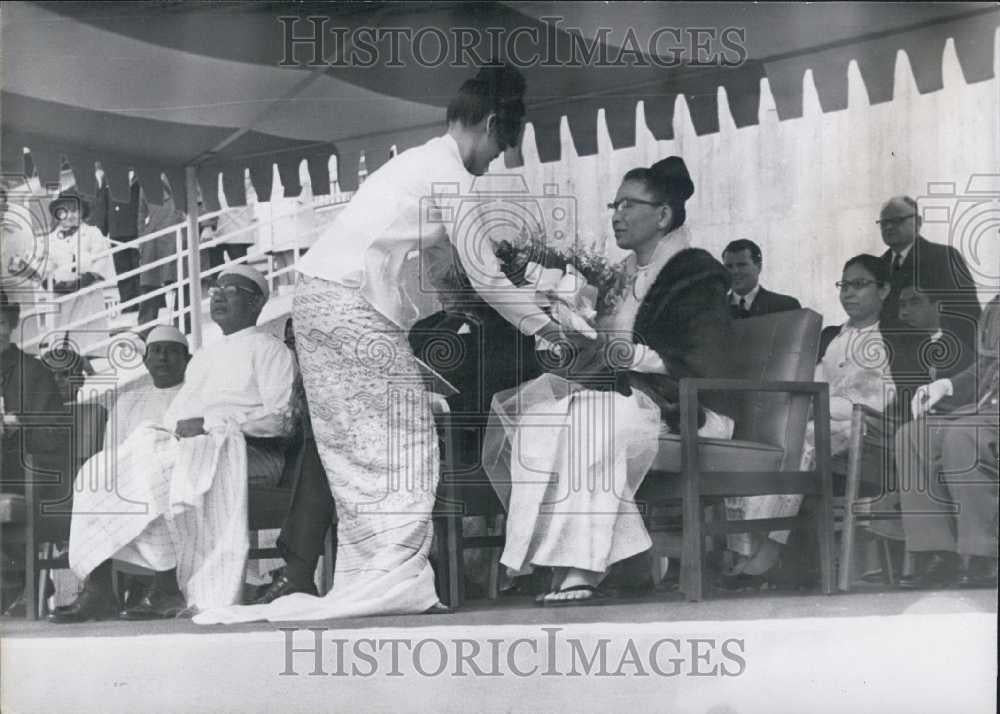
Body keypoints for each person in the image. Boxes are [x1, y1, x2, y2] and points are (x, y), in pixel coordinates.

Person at [191, 63, 590, 625]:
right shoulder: (450, 174)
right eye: (503, 146)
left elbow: (437, 268)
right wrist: (549, 328)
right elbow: (486, 276)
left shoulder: (414, 161)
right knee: (405, 440)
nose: (497, 159)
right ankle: (390, 575)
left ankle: (372, 571)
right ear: (493, 123)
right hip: (347, 306)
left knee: (362, 447)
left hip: (319, 301)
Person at [485, 157, 736, 605]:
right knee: (537, 422)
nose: (616, 214)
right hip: (625, 399)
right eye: (613, 204)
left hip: (681, 403)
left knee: (591, 422)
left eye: (628, 204)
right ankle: (559, 563)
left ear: (662, 215)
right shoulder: (619, 275)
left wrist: (627, 354)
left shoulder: (695, 271)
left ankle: (583, 566)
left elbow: (706, 359)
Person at [62, 265, 296, 620]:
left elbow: (282, 421)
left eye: (231, 289)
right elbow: (177, 420)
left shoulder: (270, 350)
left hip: (249, 452)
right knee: (102, 469)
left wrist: (214, 426)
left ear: (256, 303)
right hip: (193, 446)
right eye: (216, 288)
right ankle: (99, 587)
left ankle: (168, 587)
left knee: (166, 468)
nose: (217, 295)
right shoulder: (203, 357)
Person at [725, 255, 898, 584]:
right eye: (844, 285)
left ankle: (765, 557)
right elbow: (817, 381)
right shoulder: (835, 336)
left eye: (859, 285)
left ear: (885, 289)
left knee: (799, 443)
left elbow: (886, 397)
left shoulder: (890, 337)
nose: (848, 293)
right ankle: (747, 548)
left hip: (866, 431)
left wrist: (824, 408)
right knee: (770, 445)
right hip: (824, 423)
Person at [48, 325, 191, 622]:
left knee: (150, 477)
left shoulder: (194, 393)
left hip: (173, 473)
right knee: (93, 476)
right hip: (128, 475)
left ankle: (164, 587)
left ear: (187, 359)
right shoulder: (128, 399)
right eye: (156, 351)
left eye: (172, 351)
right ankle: (98, 590)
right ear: (146, 359)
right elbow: (111, 452)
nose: (163, 357)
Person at [894, 294, 999, 589]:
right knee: (913, 435)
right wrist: (945, 385)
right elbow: (985, 367)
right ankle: (936, 552)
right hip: (983, 413)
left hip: (987, 419)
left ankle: (984, 554)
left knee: (963, 436)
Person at [0, 289, 65, 613]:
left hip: (24, 473)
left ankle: (16, 581)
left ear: (11, 323)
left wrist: (19, 422)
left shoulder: (33, 372)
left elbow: (54, 435)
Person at [877, 195, 980, 364]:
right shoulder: (876, 267)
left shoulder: (944, 257)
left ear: (918, 222)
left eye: (897, 220)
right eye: (884, 222)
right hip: (886, 365)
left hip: (936, 362)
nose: (888, 226)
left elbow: (967, 316)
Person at [29, 190, 119, 355]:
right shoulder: (50, 240)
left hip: (87, 291)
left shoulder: (92, 233)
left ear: (82, 212)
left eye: (75, 210)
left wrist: (84, 280)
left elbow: (101, 260)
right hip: (61, 294)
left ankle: (90, 356)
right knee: (63, 332)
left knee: (87, 335)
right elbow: (44, 266)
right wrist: (55, 284)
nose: (70, 215)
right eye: (65, 211)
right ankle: (64, 354)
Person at [890, 278, 975, 416]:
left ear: (938, 307)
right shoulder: (906, 349)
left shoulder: (958, 350)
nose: (904, 312)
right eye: (902, 305)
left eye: (915, 303)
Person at [722, 239, 801, 319]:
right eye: (729, 266)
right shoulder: (713, 309)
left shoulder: (786, 306)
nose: (735, 271)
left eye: (742, 265)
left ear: (758, 267)